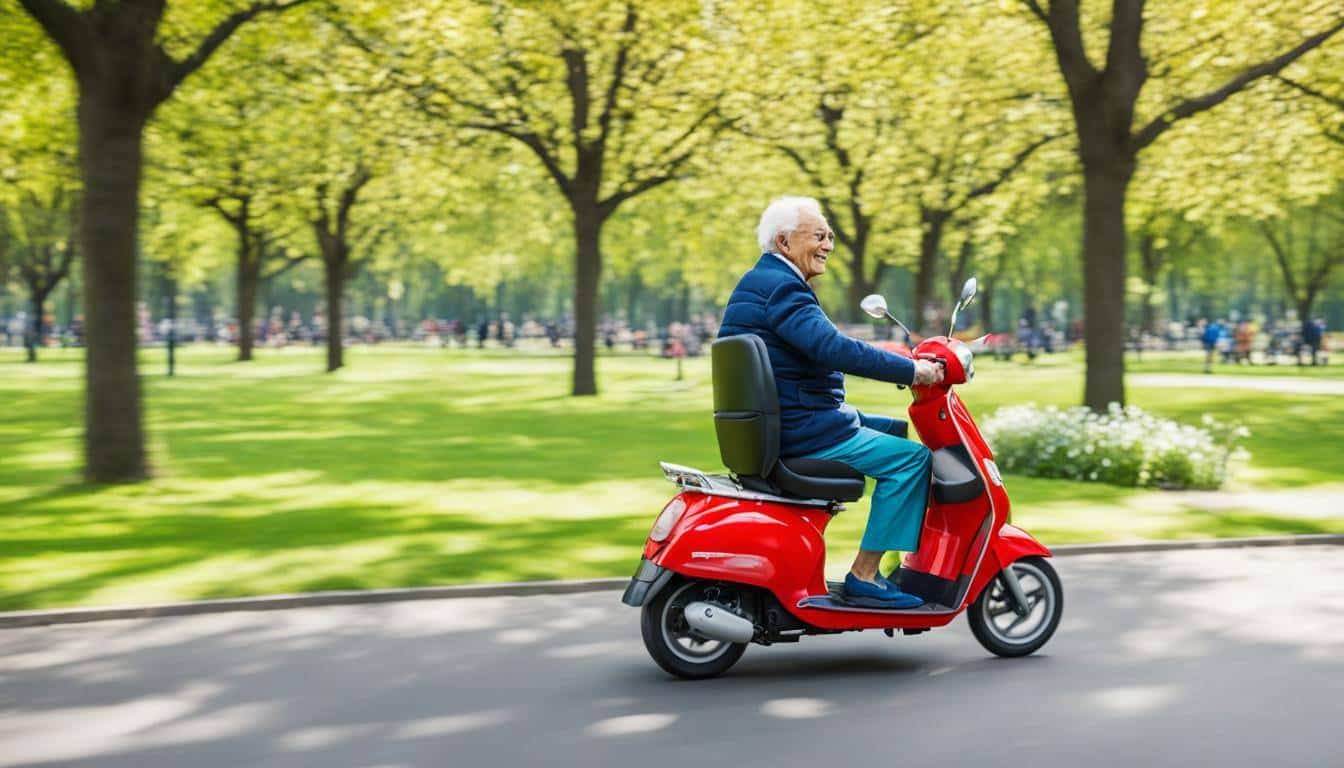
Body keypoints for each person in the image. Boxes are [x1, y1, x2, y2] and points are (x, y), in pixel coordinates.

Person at [718, 196, 942, 609]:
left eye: (831, 236)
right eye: (819, 236)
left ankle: (892, 560)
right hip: (805, 429)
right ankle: (866, 575)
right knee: (912, 460)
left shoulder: (763, 281)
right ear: (784, 242)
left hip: (790, 419)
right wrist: (912, 370)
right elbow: (831, 347)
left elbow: (823, 346)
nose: (828, 245)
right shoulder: (784, 288)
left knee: (896, 430)